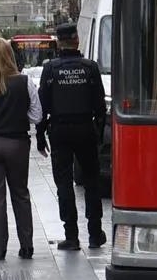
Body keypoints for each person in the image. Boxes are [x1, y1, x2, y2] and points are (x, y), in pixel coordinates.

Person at [36, 22, 107, 250]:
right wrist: (98, 131)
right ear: (77, 40)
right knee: (91, 183)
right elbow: (100, 104)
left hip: (60, 131)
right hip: (85, 129)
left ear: (58, 42)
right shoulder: (90, 67)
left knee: (64, 184)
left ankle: (72, 236)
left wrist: (39, 134)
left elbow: (42, 104)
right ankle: (95, 234)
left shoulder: (51, 69)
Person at [0, 38, 42, 260]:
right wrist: (19, 116)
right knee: (20, 193)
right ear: (10, 56)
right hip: (17, 143)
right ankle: (27, 245)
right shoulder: (24, 82)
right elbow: (37, 115)